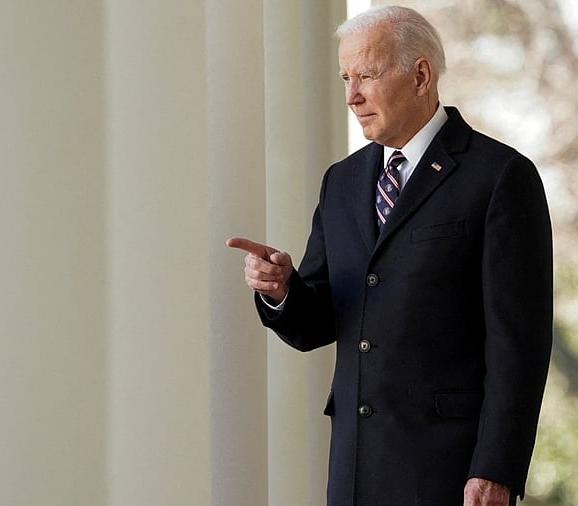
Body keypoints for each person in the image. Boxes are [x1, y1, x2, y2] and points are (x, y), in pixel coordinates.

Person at [228, 5, 552, 506]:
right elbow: (317, 322)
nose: (351, 95)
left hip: (451, 471)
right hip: (355, 468)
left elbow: (520, 345)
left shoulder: (500, 177)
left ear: (420, 74)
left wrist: (496, 469)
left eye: (367, 75)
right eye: (345, 77)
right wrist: (281, 289)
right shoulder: (342, 181)